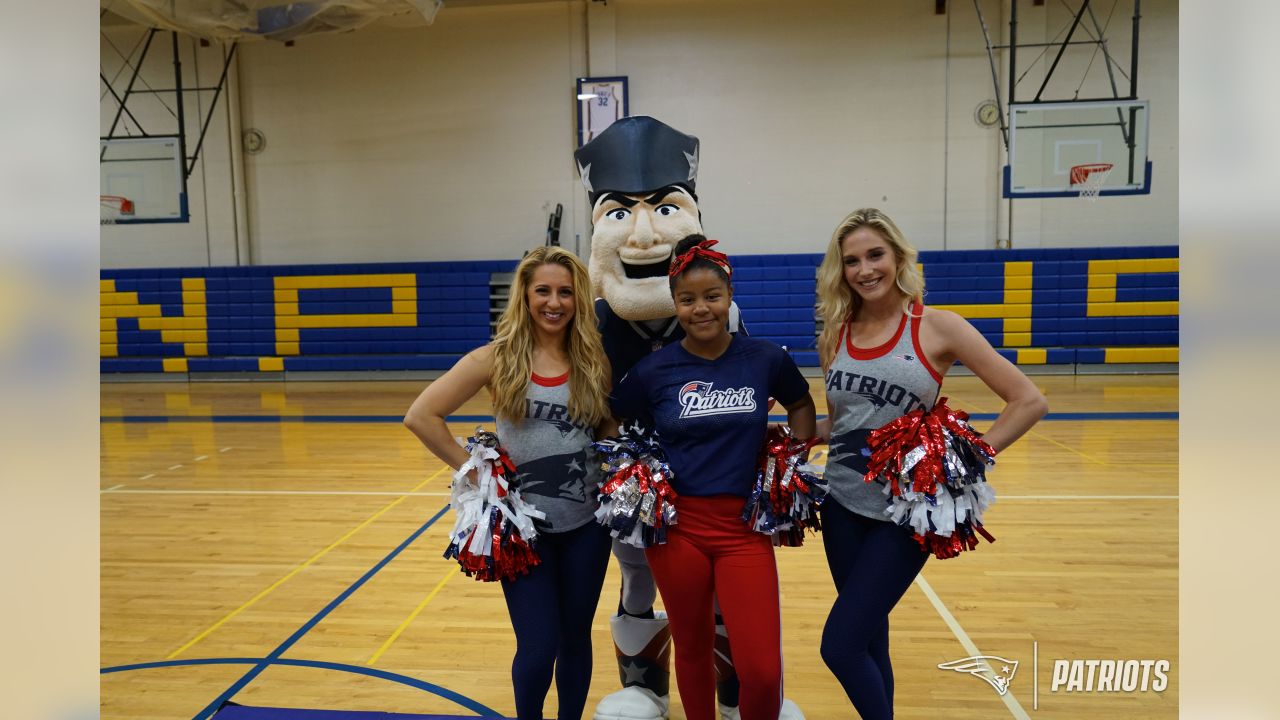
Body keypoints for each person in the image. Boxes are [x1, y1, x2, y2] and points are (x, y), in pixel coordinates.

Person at [578, 116, 796, 720]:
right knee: (634, 573)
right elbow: (592, 407)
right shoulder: (594, 324)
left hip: (717, 489)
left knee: (726, 599)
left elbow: (767, 389)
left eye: (663, 211)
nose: (643, 237)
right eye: (619, 214)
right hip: (634, 486)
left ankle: (734, 695)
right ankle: (644, 687)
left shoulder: (720, 313)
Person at [814, 208, 1048, 719]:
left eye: (875, 255)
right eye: (851, 260)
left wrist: (966, 461)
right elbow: (844, 423)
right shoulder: (838, 330)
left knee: (840, 646)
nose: (865, 269)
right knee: (870, 640)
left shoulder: (939, 327)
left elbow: (1028, 400)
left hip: (904, 516)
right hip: (841, 508)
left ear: (898, 257)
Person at [610, 235, 818, 720]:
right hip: (678, 531)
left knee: (762, 668)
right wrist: (633, 469)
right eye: (687, 299)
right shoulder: (654, 369)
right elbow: (610, 420)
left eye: (711, 297)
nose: (700, 309)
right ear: (674, 302)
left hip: (743, 530)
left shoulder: (764, 358)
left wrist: (789, 460)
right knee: (693, 646)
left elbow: (802, 403)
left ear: (729, 297)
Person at [404, 246, 614, 720]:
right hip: (524, 532)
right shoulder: (494, 359)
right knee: (539, 646)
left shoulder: (594, 359)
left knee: (576, 638)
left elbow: (604, 430)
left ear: (578, 298)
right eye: (543, 290)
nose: (554, 302)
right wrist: (478, 473)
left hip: (586, 524)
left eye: (565, 292)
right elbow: (421, 415)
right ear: (524, 295)